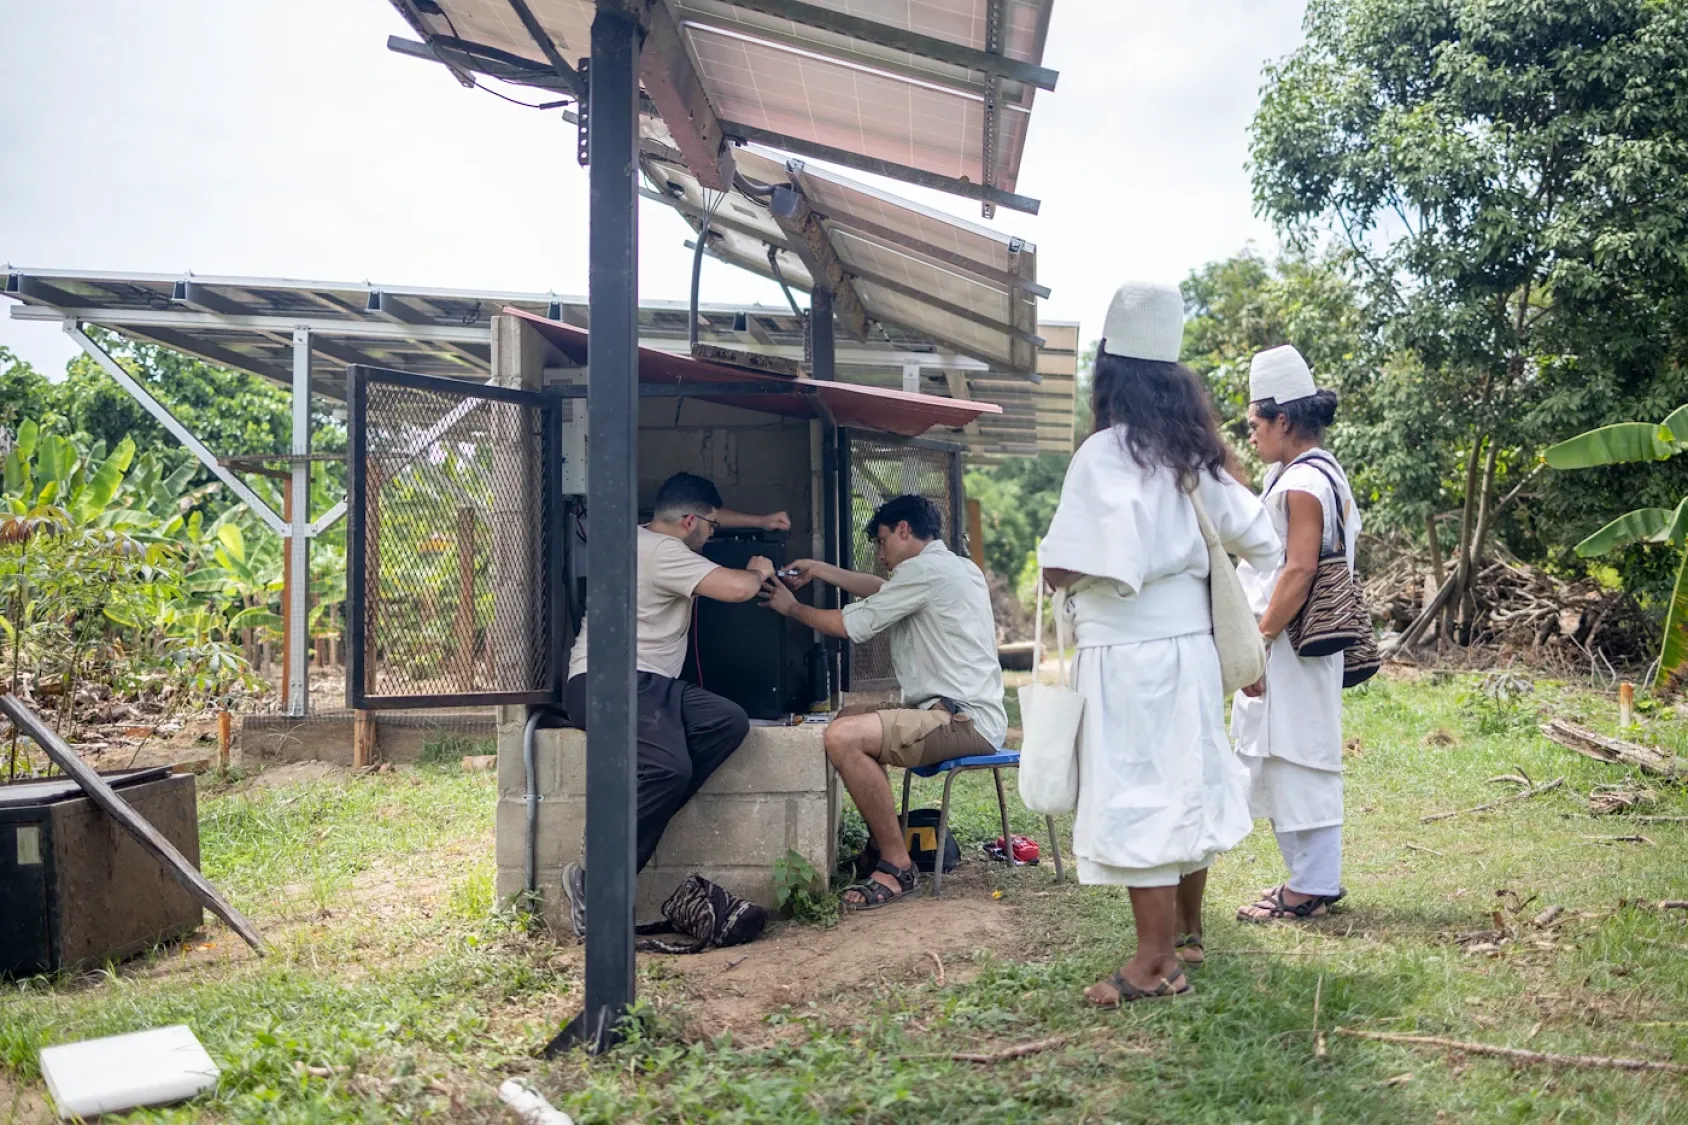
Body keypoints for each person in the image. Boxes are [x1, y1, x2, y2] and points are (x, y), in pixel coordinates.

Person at [1039, 280, 1281, 1005]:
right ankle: (1181, 939)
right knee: (1181, 785)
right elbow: (1263, 538)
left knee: (1139, 791)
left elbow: (1062, 563)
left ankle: (1152, 961)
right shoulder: (1195, 456)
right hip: (1190, 651)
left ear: (1107, 370)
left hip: (1127, 651)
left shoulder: (1103, 455)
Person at [560, 472, 790, 937]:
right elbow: (739, 589)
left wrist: (764, 519)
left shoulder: (643, 536)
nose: (711, 535)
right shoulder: (664, 552)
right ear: (689, 522)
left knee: (726, 721)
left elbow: (710, 509)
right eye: (709, 527)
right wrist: (761, 568)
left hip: (647, 685)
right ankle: (594, 876)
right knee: (670, 769)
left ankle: (633, 813)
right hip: (608, 683)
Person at [760, 494, 1007, 910]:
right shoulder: (955, 567)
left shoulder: (925, 571)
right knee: (852, 717)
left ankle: (896, 865)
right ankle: (883, 840)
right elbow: (881, 590)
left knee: (843, 737)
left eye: (882, 541)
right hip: (959, 714)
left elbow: (851, 624)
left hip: (961, 720)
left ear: (904, 530)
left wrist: (792, 608)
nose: (880, 553)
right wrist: (820, 570)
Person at [1231, 345, 1356, 923]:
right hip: (1289, 641)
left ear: (1283, 420)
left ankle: (1310, 885)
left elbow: (1300, 568)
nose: (1251, 434)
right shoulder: (1310, 473)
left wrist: (1258, 639)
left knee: (1298, 755)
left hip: (1287, 641)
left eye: (1255, 423)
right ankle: (1307, 880)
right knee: (1287, 753)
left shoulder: (1303, 482)